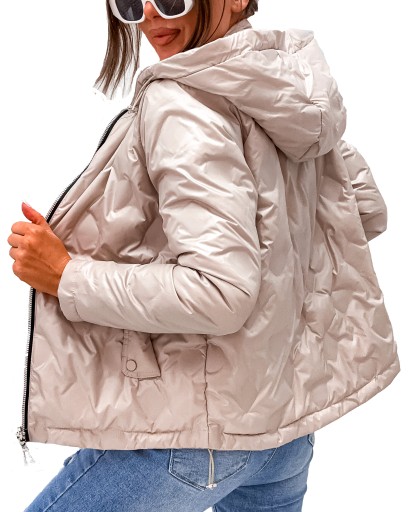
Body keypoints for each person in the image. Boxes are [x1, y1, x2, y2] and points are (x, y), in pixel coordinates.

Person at [7, 1, 400, 511]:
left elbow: (220, 292)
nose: (151, 14)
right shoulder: (287, 83)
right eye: (130, 3)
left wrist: (66, 276)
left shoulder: (182, 102)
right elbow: (363, 211)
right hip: (284, 429)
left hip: (196, 433)